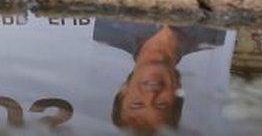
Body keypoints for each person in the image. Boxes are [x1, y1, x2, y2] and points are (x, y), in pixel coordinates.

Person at [94, 18, 225, 131]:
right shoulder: (215, 35)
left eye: (137, 104)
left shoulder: (107, 28)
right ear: (177, 90)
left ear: (124, 90)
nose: (151, 94)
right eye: (161, 104)